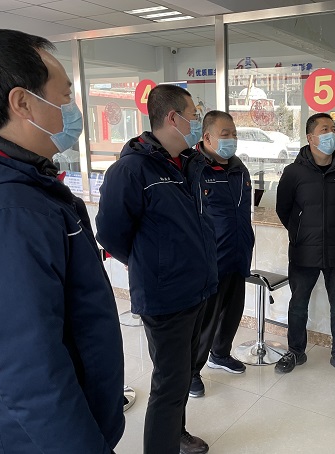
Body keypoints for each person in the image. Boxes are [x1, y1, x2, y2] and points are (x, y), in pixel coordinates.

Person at [0, 29, 124, 453]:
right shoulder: (12, 210)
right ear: (22, 103)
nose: (72, 109)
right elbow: (27, 367)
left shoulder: (26, 186)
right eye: (64, 96)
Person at [96, 84, 217, 454]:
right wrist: (154, 263)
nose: (197, 122)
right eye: (194, 116)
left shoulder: (190, 163)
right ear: (173, 118)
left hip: (197, 288)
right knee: (169, 383)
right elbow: (111, 234)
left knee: (182, 376)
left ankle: (177, 435)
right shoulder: (131, 170)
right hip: (165, 296)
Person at [275, 112, 335, 379]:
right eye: (325, 129)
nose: (331, 134)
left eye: (333, 129)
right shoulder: (294, 172)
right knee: (298, 304)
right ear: (310, 137)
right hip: (304, 250)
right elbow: (283, 209)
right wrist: (300, 232)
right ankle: (295, 351)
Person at [189, 110, 255, 398]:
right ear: (207, 137)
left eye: (234, 134)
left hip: (238, 253)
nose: (232, 139)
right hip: (211, 259)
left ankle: (220, 354)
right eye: (225, 134)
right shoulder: (195, 169)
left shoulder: (240, 169)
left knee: (232, 311)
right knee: (205, 320)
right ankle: (192, 371)